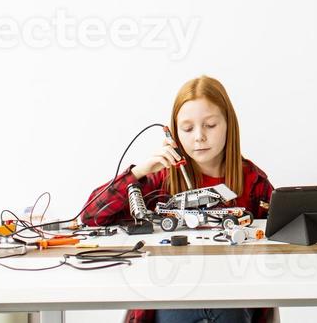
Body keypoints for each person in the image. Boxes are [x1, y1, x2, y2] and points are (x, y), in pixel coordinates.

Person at [81, 75, 274, 323]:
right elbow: (91, 216)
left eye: (210, 125)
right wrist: (139, 171)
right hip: (172, 296)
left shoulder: (253, 182)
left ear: (229, 125)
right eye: (188, 128)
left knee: (227, 308)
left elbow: (278, 237)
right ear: (174, 134)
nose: (199, 137)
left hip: (234, 296)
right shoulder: (160, 179)